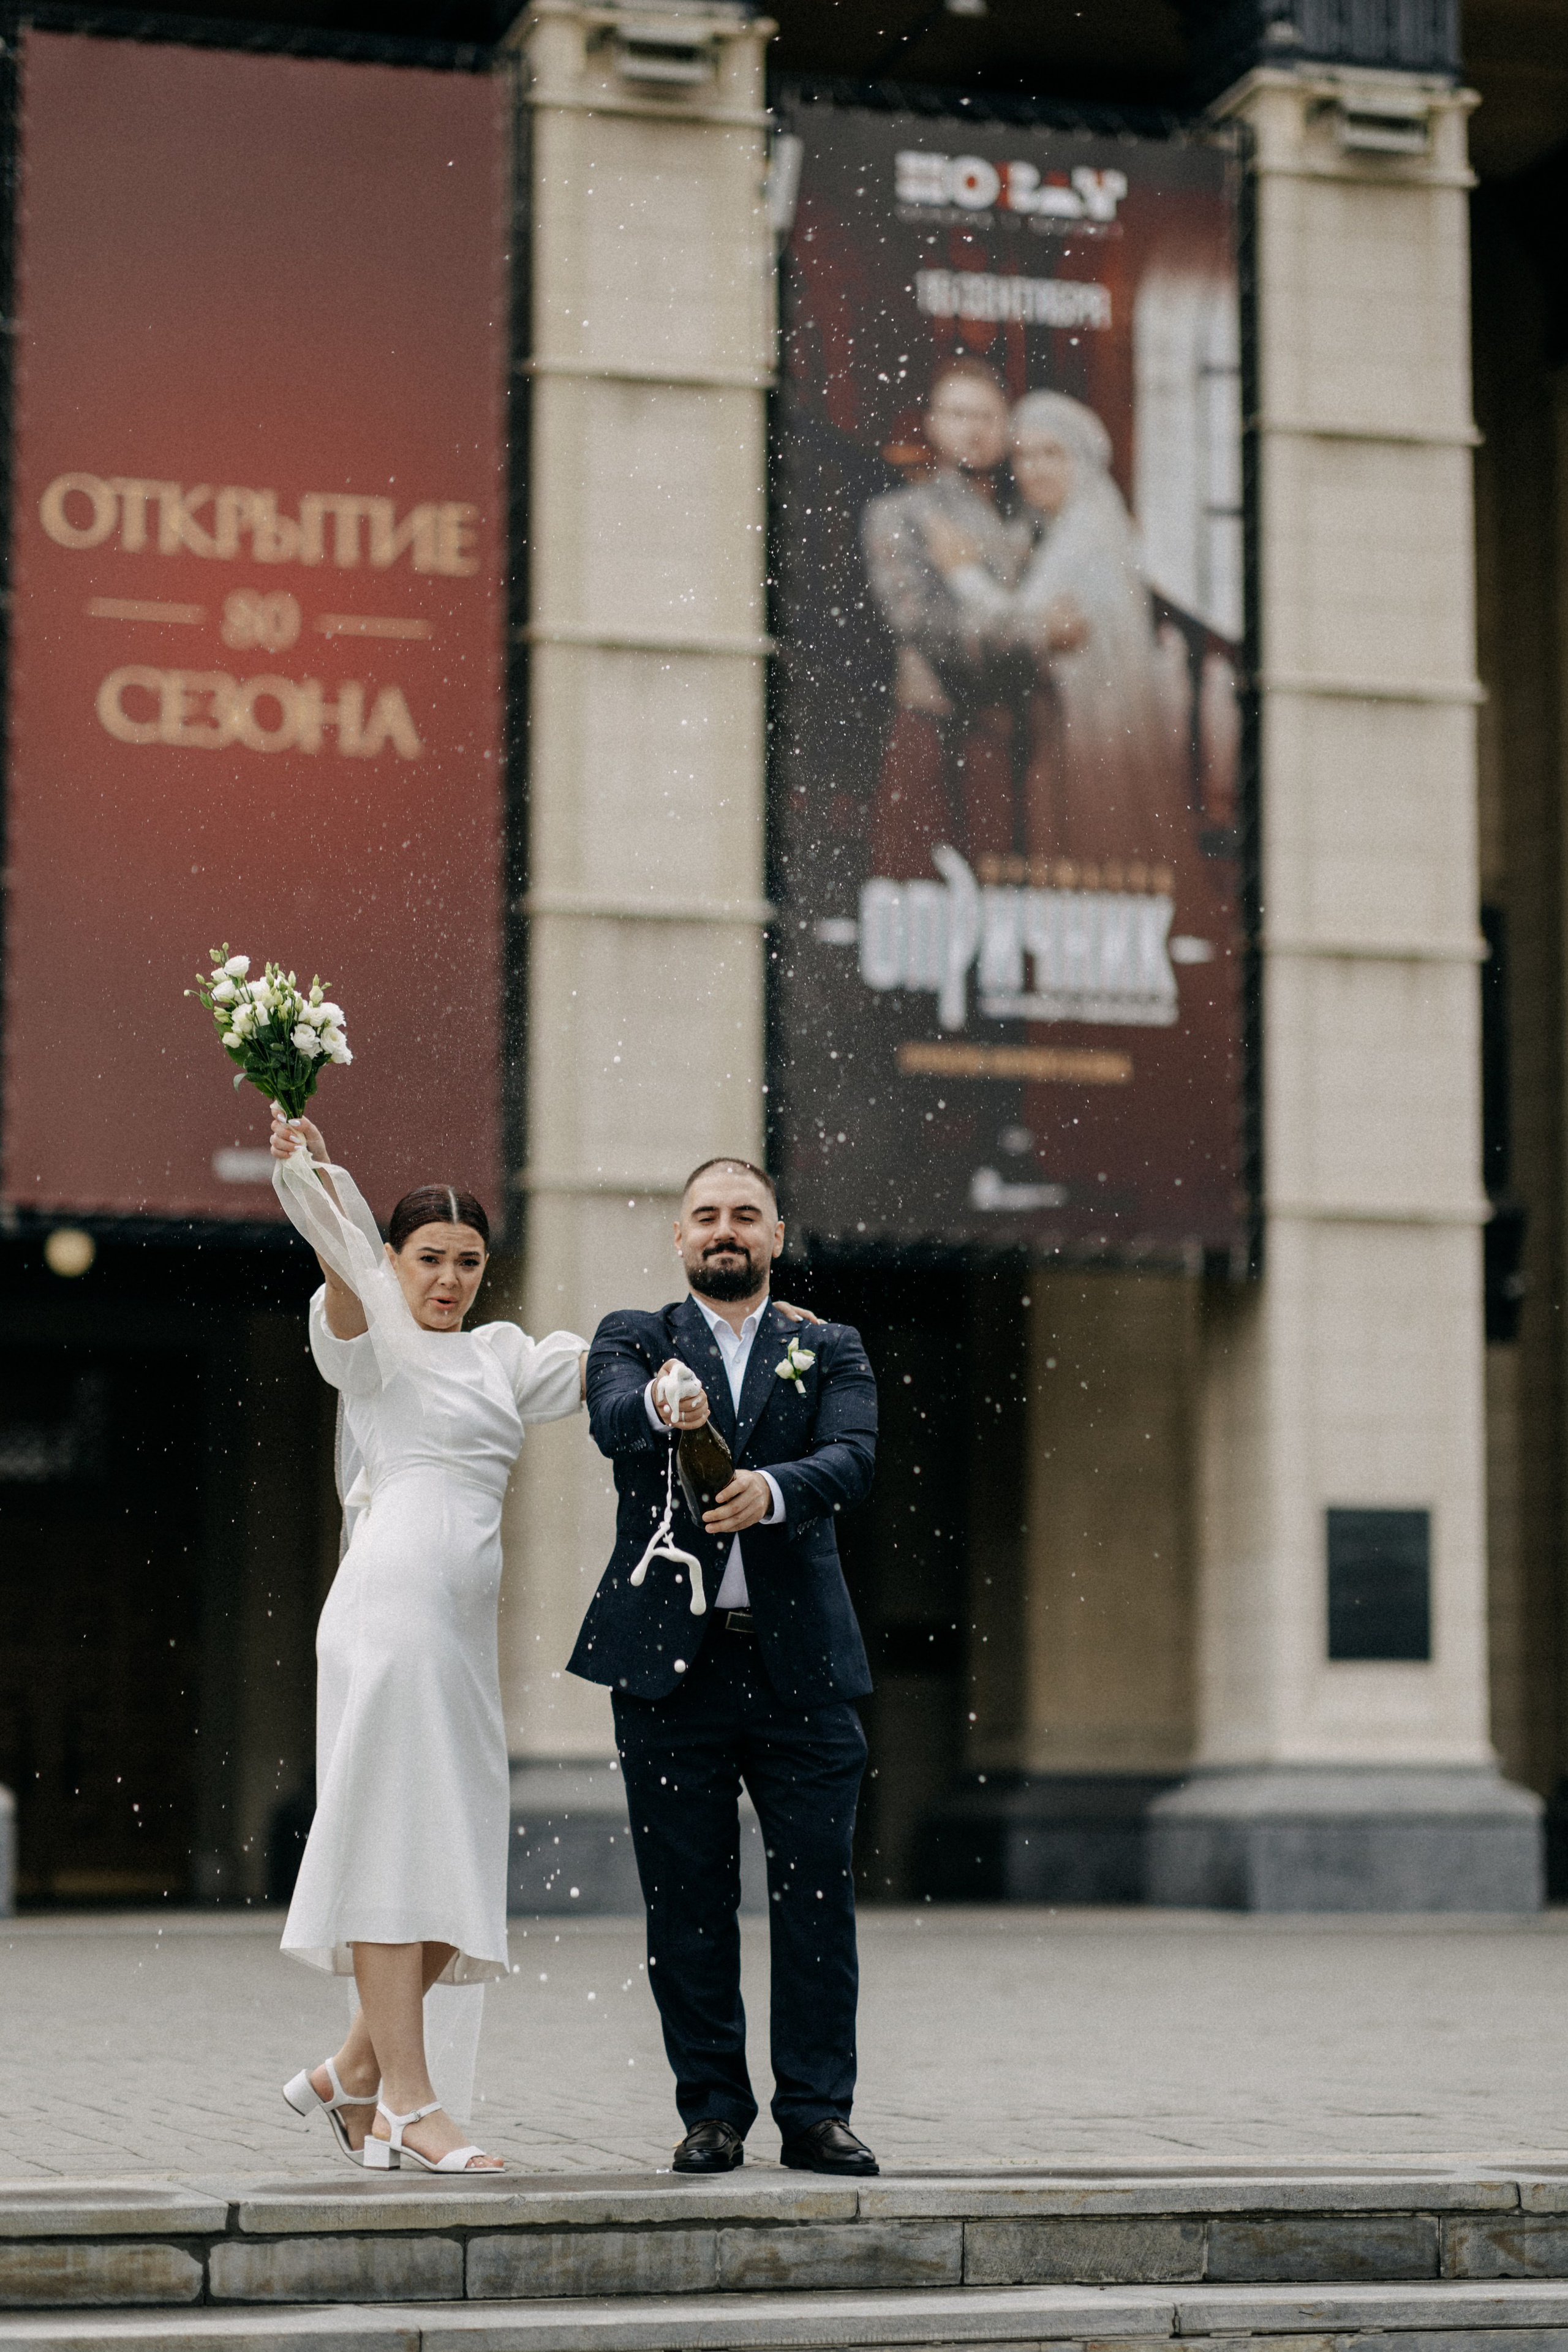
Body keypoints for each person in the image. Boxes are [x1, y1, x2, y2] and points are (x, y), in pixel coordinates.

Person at [268, 1107, 587, 2174]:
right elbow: (343, 1261)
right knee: (396, 1841)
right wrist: (316, 1177)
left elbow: (607, 1367)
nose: (448, 1279)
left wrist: (720, 1324)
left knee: (460, 1847)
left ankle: (350, 2072)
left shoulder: (502, 1355)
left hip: (460, 1631)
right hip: (389, 1612)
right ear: (395, 1261)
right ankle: (407, 2100)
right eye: (429, 1259)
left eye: (468, 1262)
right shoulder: (374, 1340)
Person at [567, 1158, 879, 2175]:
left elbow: (854, 1458)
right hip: (671, 1671)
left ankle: (817, 2112)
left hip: (803, 1670)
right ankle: (711, 2111)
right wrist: (667, 1404)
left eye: (746, 1214)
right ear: (679, 1237)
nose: (724, 1230)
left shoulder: (829, 1345)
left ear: (777, 1236)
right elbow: (611, 1419)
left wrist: (775, 1492)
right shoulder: (634, 1336)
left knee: (817, 1901)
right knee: (687, 1902)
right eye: (705, 1216)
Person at [919, 388, 1179, 865]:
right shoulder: (1064, 526)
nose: (1033, 470)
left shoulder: (1086, 533)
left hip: (1092, 725)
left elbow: (1025, 622)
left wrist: (963, 573)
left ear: (1080, 460)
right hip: (1065, 719)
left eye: (1051, 454)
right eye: (1023, 456)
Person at [859, 356, 1033, 871]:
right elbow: (916, 619)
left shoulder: (1031, 518)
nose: (973, 430)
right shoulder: (900, 514)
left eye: (987, 417)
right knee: (922, 876)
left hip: (1020, 735)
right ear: (933, 424)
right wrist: (1028, 639)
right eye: (959, 415)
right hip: (934, 723)